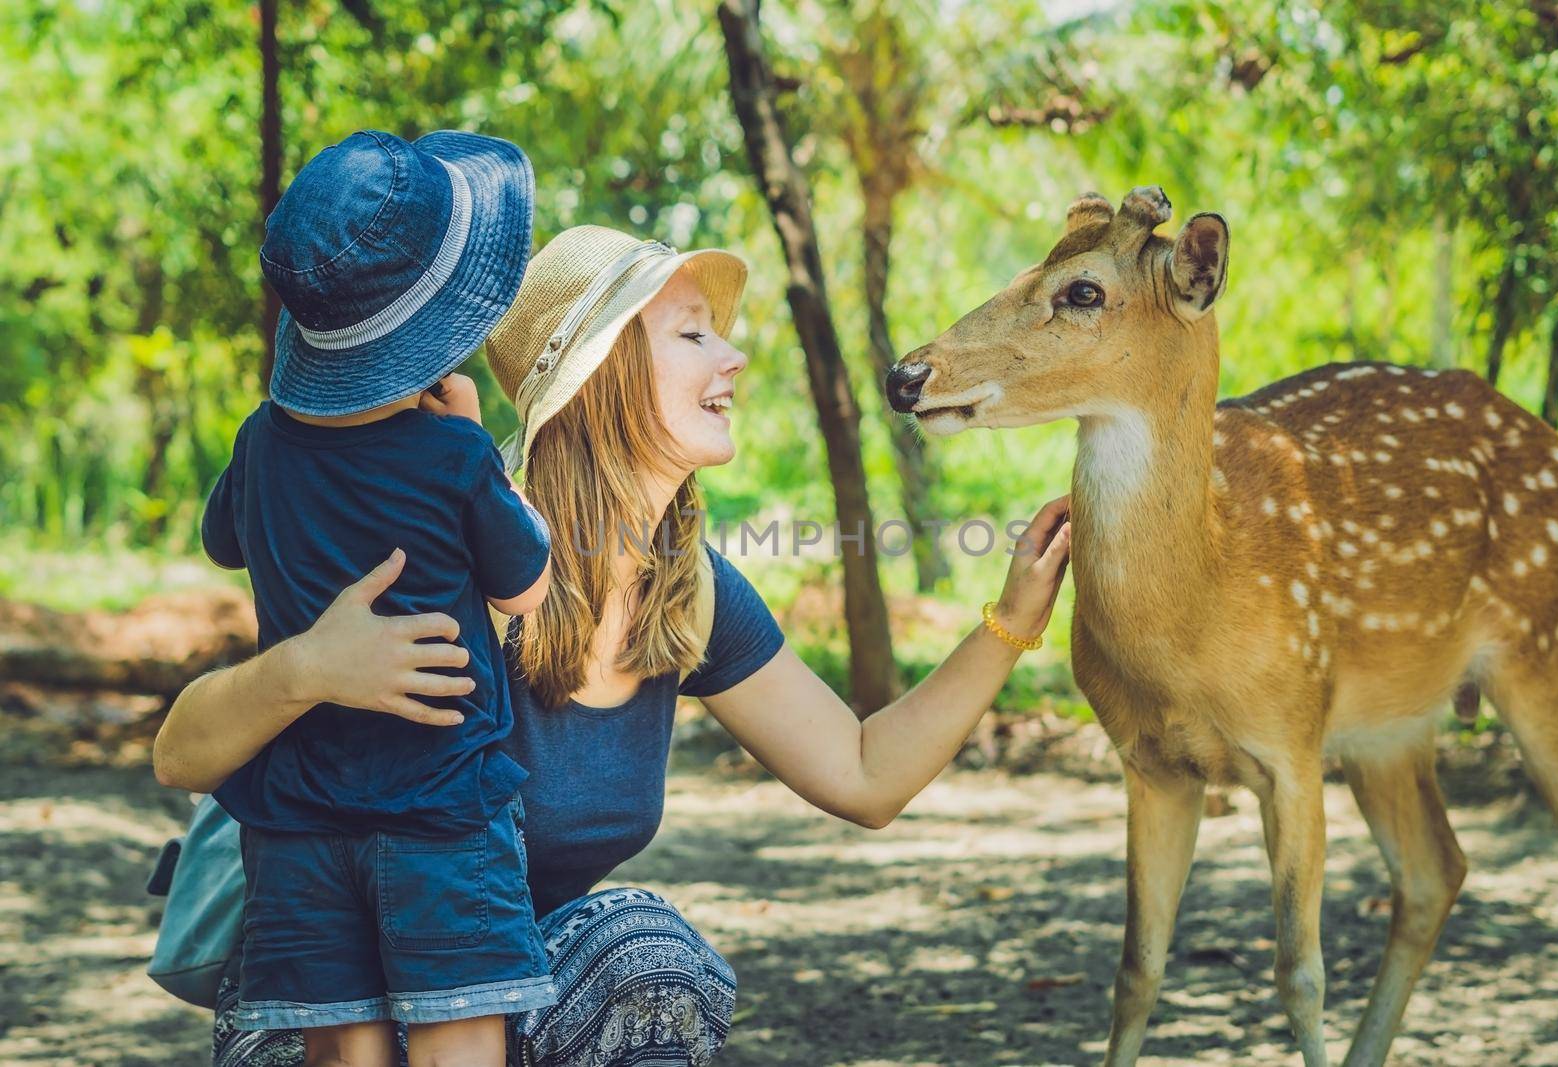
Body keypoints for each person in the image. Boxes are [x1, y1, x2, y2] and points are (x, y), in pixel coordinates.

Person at [153, 224, 1073, 1067]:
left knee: (645, 953)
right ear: (599, 377)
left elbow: (867, 773)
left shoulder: (690, 588)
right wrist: (305, 667)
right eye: (691, 335)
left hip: (504, 987)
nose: (734, 354)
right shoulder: (458, 543)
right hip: (330, 1001)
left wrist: (1012, 619)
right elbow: (181, 748)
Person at [192, 128, 553, 1067]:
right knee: (456, 1047)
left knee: (345, 1054)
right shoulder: (455, 455)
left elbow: (223, 540)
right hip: (442, 815)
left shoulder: (259, 444)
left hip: (297, 824)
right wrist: (483, 453)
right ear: (433, 337)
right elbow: (526, 587)